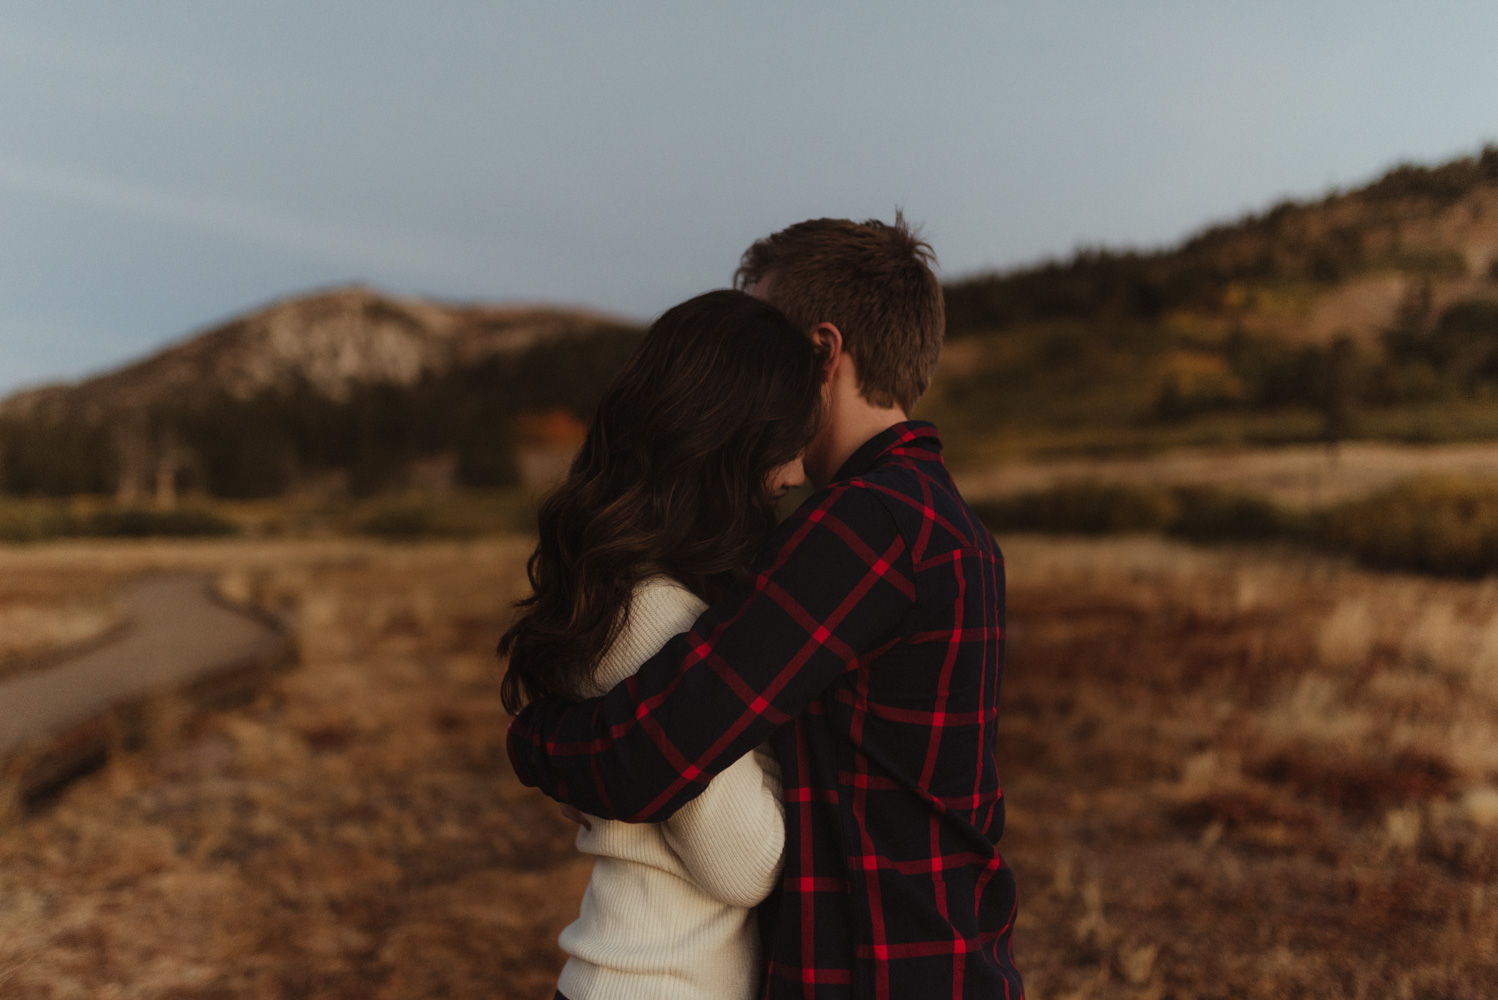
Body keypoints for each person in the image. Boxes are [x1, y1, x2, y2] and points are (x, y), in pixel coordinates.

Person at [508, 216, 1023, 999]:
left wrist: (536, 735)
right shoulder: (949, 524)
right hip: (948, 959)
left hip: (875, 973)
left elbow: (652, 753)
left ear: (820, 353)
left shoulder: (863, 528)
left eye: (765, 347)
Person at [498, 289, 825, 1000]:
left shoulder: (621, 591)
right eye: (789, 444)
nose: (798, 472)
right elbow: (748, 864)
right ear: (732, 442)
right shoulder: (655, 620)